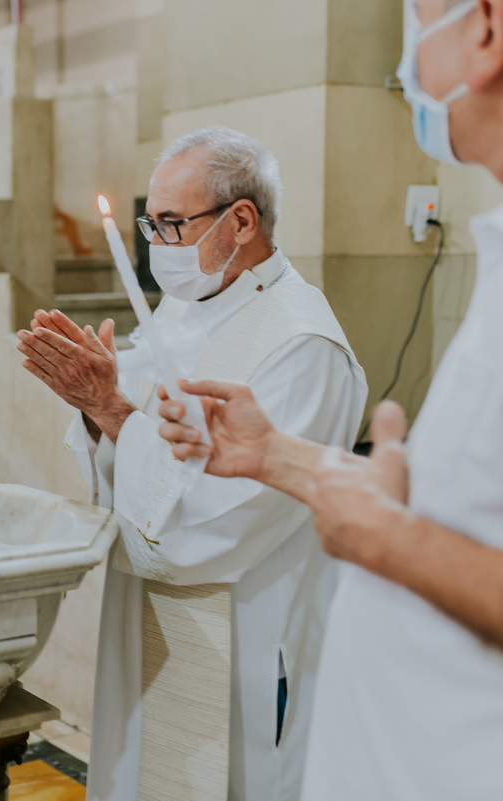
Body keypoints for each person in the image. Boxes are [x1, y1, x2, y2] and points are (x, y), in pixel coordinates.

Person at [157, 2, 503, 797]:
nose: (405, 47)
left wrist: (391, 540)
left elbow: (407, 542)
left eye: (419, 14)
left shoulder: (300, 332)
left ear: (484, 29)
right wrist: (276, 454)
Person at [16, 127, 367, 801]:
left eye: (173, 224)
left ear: (241, 221)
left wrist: (114, 411)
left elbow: (218, 529)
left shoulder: (303, 344)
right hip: (149, 623)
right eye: (151, 223)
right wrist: (94, 409)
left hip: (246, 640)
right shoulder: (185, 307)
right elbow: (129, 435)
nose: (157, 247)